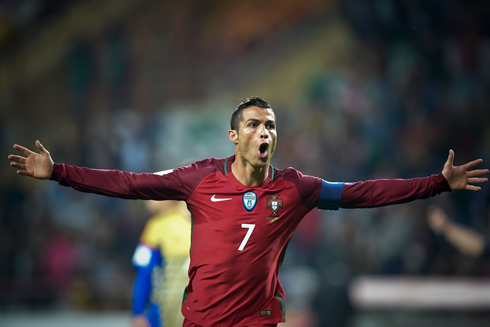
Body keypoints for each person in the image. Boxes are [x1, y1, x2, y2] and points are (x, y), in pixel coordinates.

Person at [8, 97, 489, 327]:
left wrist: (435, 185)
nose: (265, 132)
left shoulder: (296, 189)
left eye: (271, 125)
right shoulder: (198, 180)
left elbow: (363, 192)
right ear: (235, 137)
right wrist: (58, 172)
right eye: (255, 124)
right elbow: (129, 184)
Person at [131, 199, 191, 327]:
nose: (147, 200)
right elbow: (143, 273)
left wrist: (138, 312)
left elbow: (143, 274)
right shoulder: (157, 226)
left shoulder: (157, 225)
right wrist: (138, 313)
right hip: (164, 315)